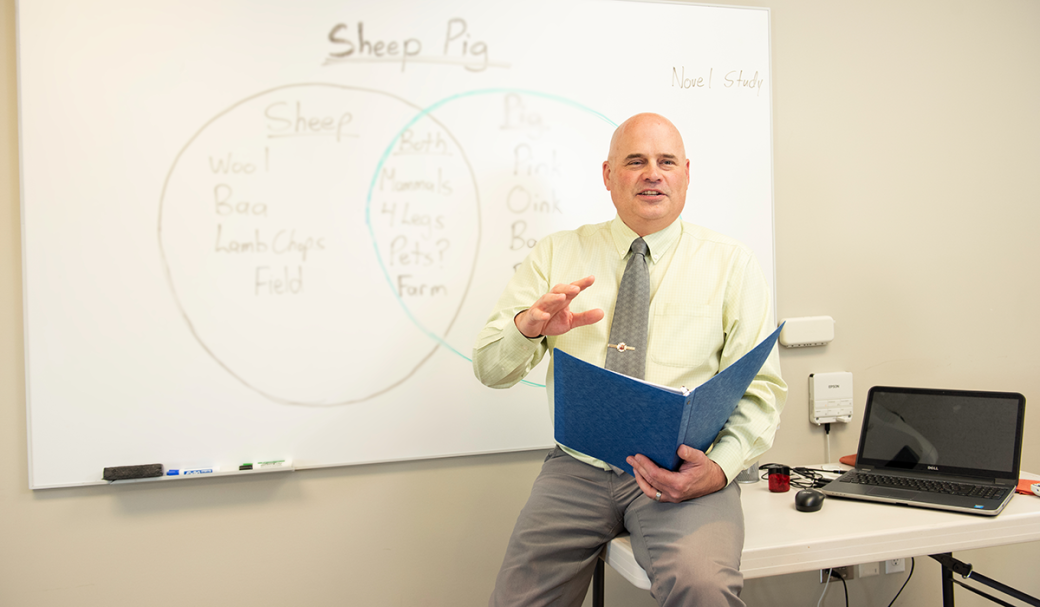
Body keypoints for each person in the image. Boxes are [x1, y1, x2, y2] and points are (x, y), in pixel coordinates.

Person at [472, 113, 787, 607]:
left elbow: (761, 388)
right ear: (608, 175)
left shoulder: (731, 263)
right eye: (635, 161)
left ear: (686, 173)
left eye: (666, 162)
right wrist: (528, 327)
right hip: (577, 468)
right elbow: (490, 370)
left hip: (683, 469)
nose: (652, 174)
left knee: (703, 588)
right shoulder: (557, 253)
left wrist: (718, 469)